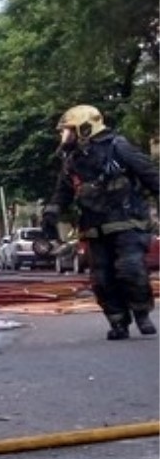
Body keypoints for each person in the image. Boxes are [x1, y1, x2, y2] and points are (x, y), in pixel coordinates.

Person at [42, 104, 160, 340]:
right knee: (102, 279)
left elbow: (151, 176)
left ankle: (141, 313)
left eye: (69, 130)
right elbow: (62, 193)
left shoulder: (119, 147)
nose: (65, 136)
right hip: (95, 228)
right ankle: (118, 323)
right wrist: (51, 216)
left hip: (128, 223)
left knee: (130, 269)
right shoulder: (72, 161)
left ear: (86, 128)